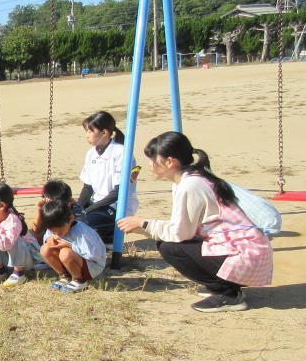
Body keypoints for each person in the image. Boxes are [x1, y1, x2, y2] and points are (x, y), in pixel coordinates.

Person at [116, 131, 272, 313]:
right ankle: (224, 286)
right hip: (248, 252)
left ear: (170, 161)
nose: (150, 165)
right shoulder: (192, 178)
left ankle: (228, 293)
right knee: (172, 243)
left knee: (170, 247)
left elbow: (180, 233)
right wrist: (145, 227)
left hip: (247, 257)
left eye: (153, 159)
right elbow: (183, 227)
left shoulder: (190, 185)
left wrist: (144, 224)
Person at [75, 111, 138, 243]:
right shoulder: (91, 153)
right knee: (62, 217)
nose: (87, 135)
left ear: (104, 133)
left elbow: (119, 192)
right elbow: (88, 187)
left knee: (82, 224)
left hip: (115, 207)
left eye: (90, 131)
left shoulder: (121, 152)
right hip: (98, 204)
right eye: (86, 131)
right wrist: (77, 208)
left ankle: (106, 240)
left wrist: (87, 210)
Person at [39, 199, 107, 293]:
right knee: (45, 249)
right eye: (53, 232)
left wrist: (70, 246)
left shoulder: (82, 232)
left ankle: (79, 280)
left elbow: (93, 254)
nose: (58, 234)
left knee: (65, 253)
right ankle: (65, 276)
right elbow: (47, 236)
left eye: (60, 230)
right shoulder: (54, 226)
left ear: (71, 219)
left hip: (93, 266)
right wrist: (48, 239)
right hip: (75, 262)